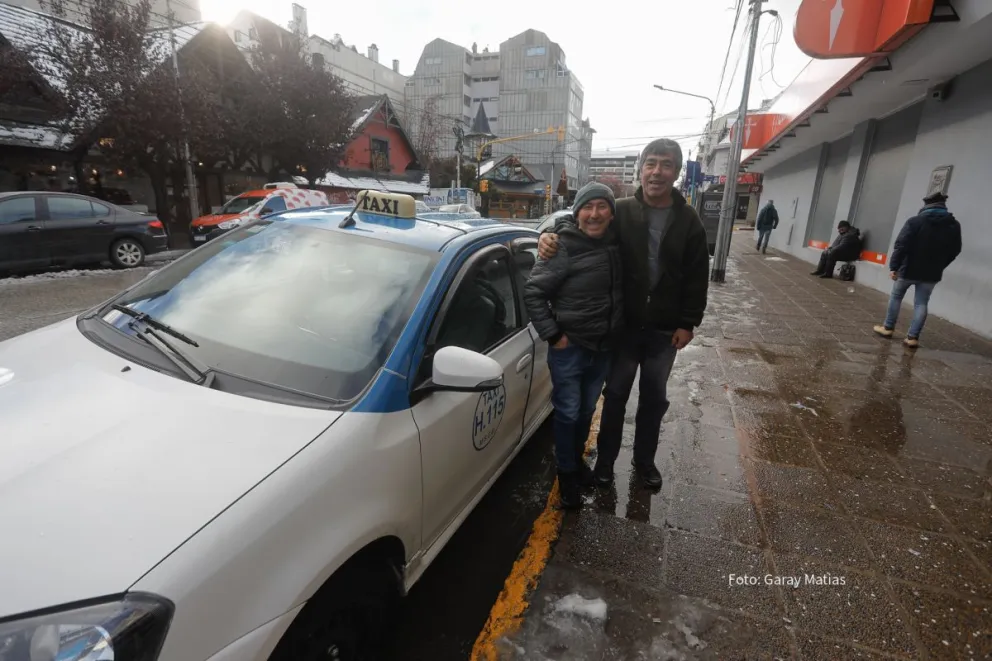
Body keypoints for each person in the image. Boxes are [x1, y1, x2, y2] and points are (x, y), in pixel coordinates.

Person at [538, 138, 710, 490]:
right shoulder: (622, 210)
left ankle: (644, 461)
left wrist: (688, 322)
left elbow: (696, 275)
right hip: (624, 326)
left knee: (654, 399)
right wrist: (549, 236)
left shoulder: (688, 219)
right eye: (651, 163)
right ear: (641, 168)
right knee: (615, 396)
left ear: (676, 172)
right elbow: (584, 227)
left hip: (664, 331)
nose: (657, 171)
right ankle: (605, 462)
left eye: (665, 164)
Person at [524, 182, 624, 509]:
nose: (594, 214)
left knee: (585, 411)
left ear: (611, 213)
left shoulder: (618, 243)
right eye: (587, 207)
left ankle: (575, 460)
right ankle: (566, 474)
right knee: (567, 412)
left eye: (602, 207)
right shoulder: (561, 247)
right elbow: (534, 293)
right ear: (577, 212)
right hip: (570, 348)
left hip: (603, 347)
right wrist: (554, 335)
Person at [873, 192, 962, 348]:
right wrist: (941, 264)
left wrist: (894, 267)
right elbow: (955, 250)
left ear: (926, 205)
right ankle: (912, 338)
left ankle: (888, 328)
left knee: (896, 297)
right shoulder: (953, 225)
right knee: (921, 303)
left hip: (908, 269)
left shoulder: (915, 222)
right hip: (932, 273)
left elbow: (901, 246)